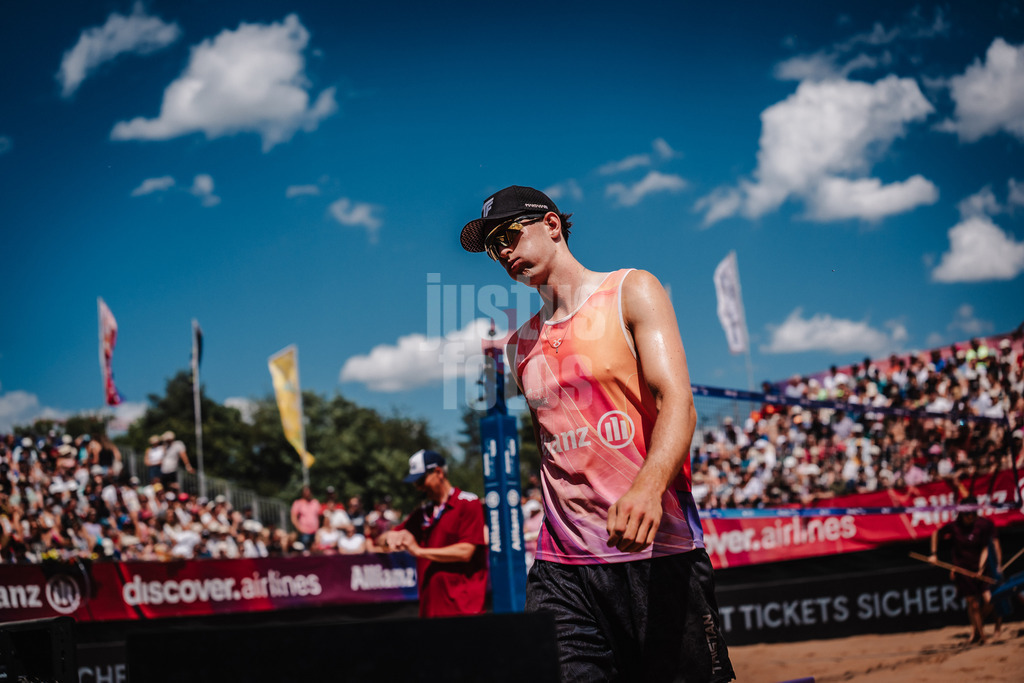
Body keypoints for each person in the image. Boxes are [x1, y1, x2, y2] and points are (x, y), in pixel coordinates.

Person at [461, 186, 734, 681]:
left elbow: (678, 402)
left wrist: (648, 490)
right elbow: (557, 448)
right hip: (562, 566)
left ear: (551, 224)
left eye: (508, 234)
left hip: (655, 549)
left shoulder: (631, 290)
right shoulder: (517, 347)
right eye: (492, 246)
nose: (501, 251)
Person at [376, 450, 487, 617]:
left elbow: (466, 551)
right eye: (416, 483)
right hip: (431, 610)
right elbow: (382, 539)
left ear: (438, 473)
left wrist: (419, 551)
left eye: (421, 480)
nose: (419, 487)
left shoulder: (468, 503)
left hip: (462, 609)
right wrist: (389, 538)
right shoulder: (423, 512)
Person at [929, 496, 1001, 644]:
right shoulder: (954, 526)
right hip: (963, 569)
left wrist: (981, 568)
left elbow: (986, 548)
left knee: (990, 600)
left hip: (980, 567)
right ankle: (981, 636)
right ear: (961, 513)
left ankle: (977, 628)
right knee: (973, 604)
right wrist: (934, 554)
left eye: (973, 513)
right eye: (968, 514)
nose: (971, 517)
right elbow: (935, 533)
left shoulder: (983, 525)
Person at [290, 485, 321, 549]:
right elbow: (293, 517)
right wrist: (300, 529)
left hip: (315, 532)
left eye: (309, 492)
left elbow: (319, 516)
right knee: (305, 552)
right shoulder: (298, 503)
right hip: (304, 532)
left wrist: (318, 529)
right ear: (303, 493)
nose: (308, 494)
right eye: (306, 492)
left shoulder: (315, 502)